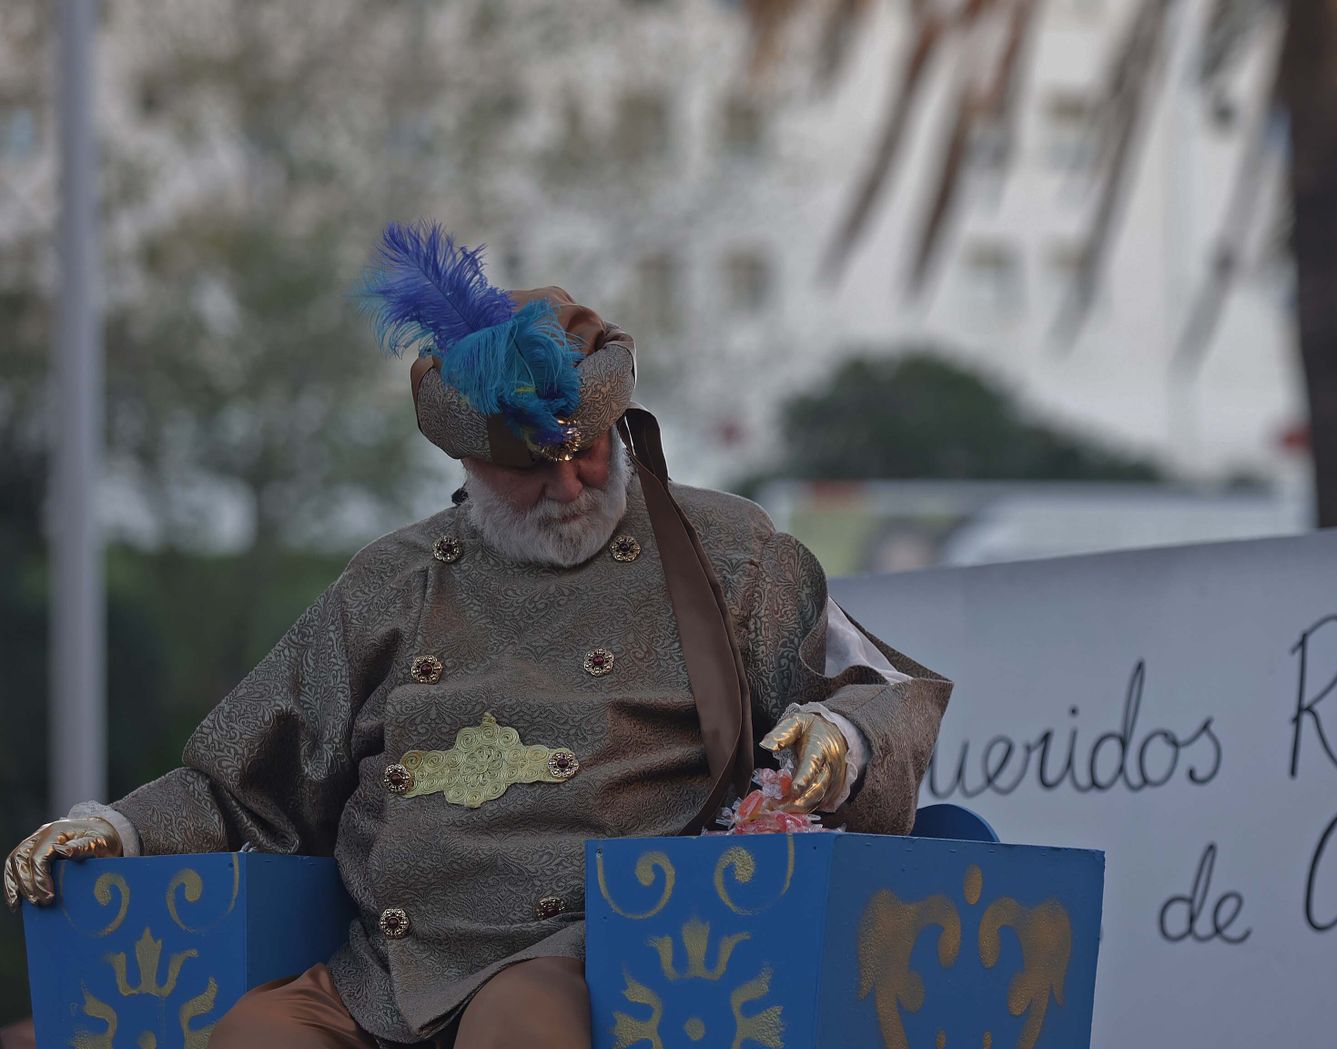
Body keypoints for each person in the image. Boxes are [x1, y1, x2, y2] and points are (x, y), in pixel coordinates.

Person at [3, 224, 951, 1048]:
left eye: (585, 452)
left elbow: (883, 685)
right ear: (466, 460)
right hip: (387, 973)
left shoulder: (729, 552)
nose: (572, 487)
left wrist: (847, 736)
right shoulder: (389, 580)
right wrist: (115, 827)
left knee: (519, 1023)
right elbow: (248, 776)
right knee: (257, 1031)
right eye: (530, 472)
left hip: (599, 953)